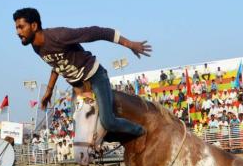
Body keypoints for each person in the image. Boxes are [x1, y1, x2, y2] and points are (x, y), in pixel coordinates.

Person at [13, 8, 151, 137]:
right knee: (79, 127)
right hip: (78, 87)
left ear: (34, 26)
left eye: (21, 27)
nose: (17, 32)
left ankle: (142, 132)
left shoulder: (59, 36)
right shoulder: (36, 47)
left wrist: (130, 44)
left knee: (108, 122)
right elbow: (56, 64)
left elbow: (97, 32)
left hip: (95, 77)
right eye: (16, 28)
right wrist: (49, 91)